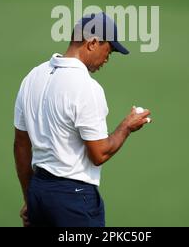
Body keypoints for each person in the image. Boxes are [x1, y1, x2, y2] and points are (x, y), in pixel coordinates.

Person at [14, 12, 152, 227]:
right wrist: (126, 127)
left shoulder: (33, 77)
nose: (107, 59)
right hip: (74, 199)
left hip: (39, 192)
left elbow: (21, 146)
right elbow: (99, 153)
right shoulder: (87, 87)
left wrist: (30, 198)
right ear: (93, 42)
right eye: (109, 50)